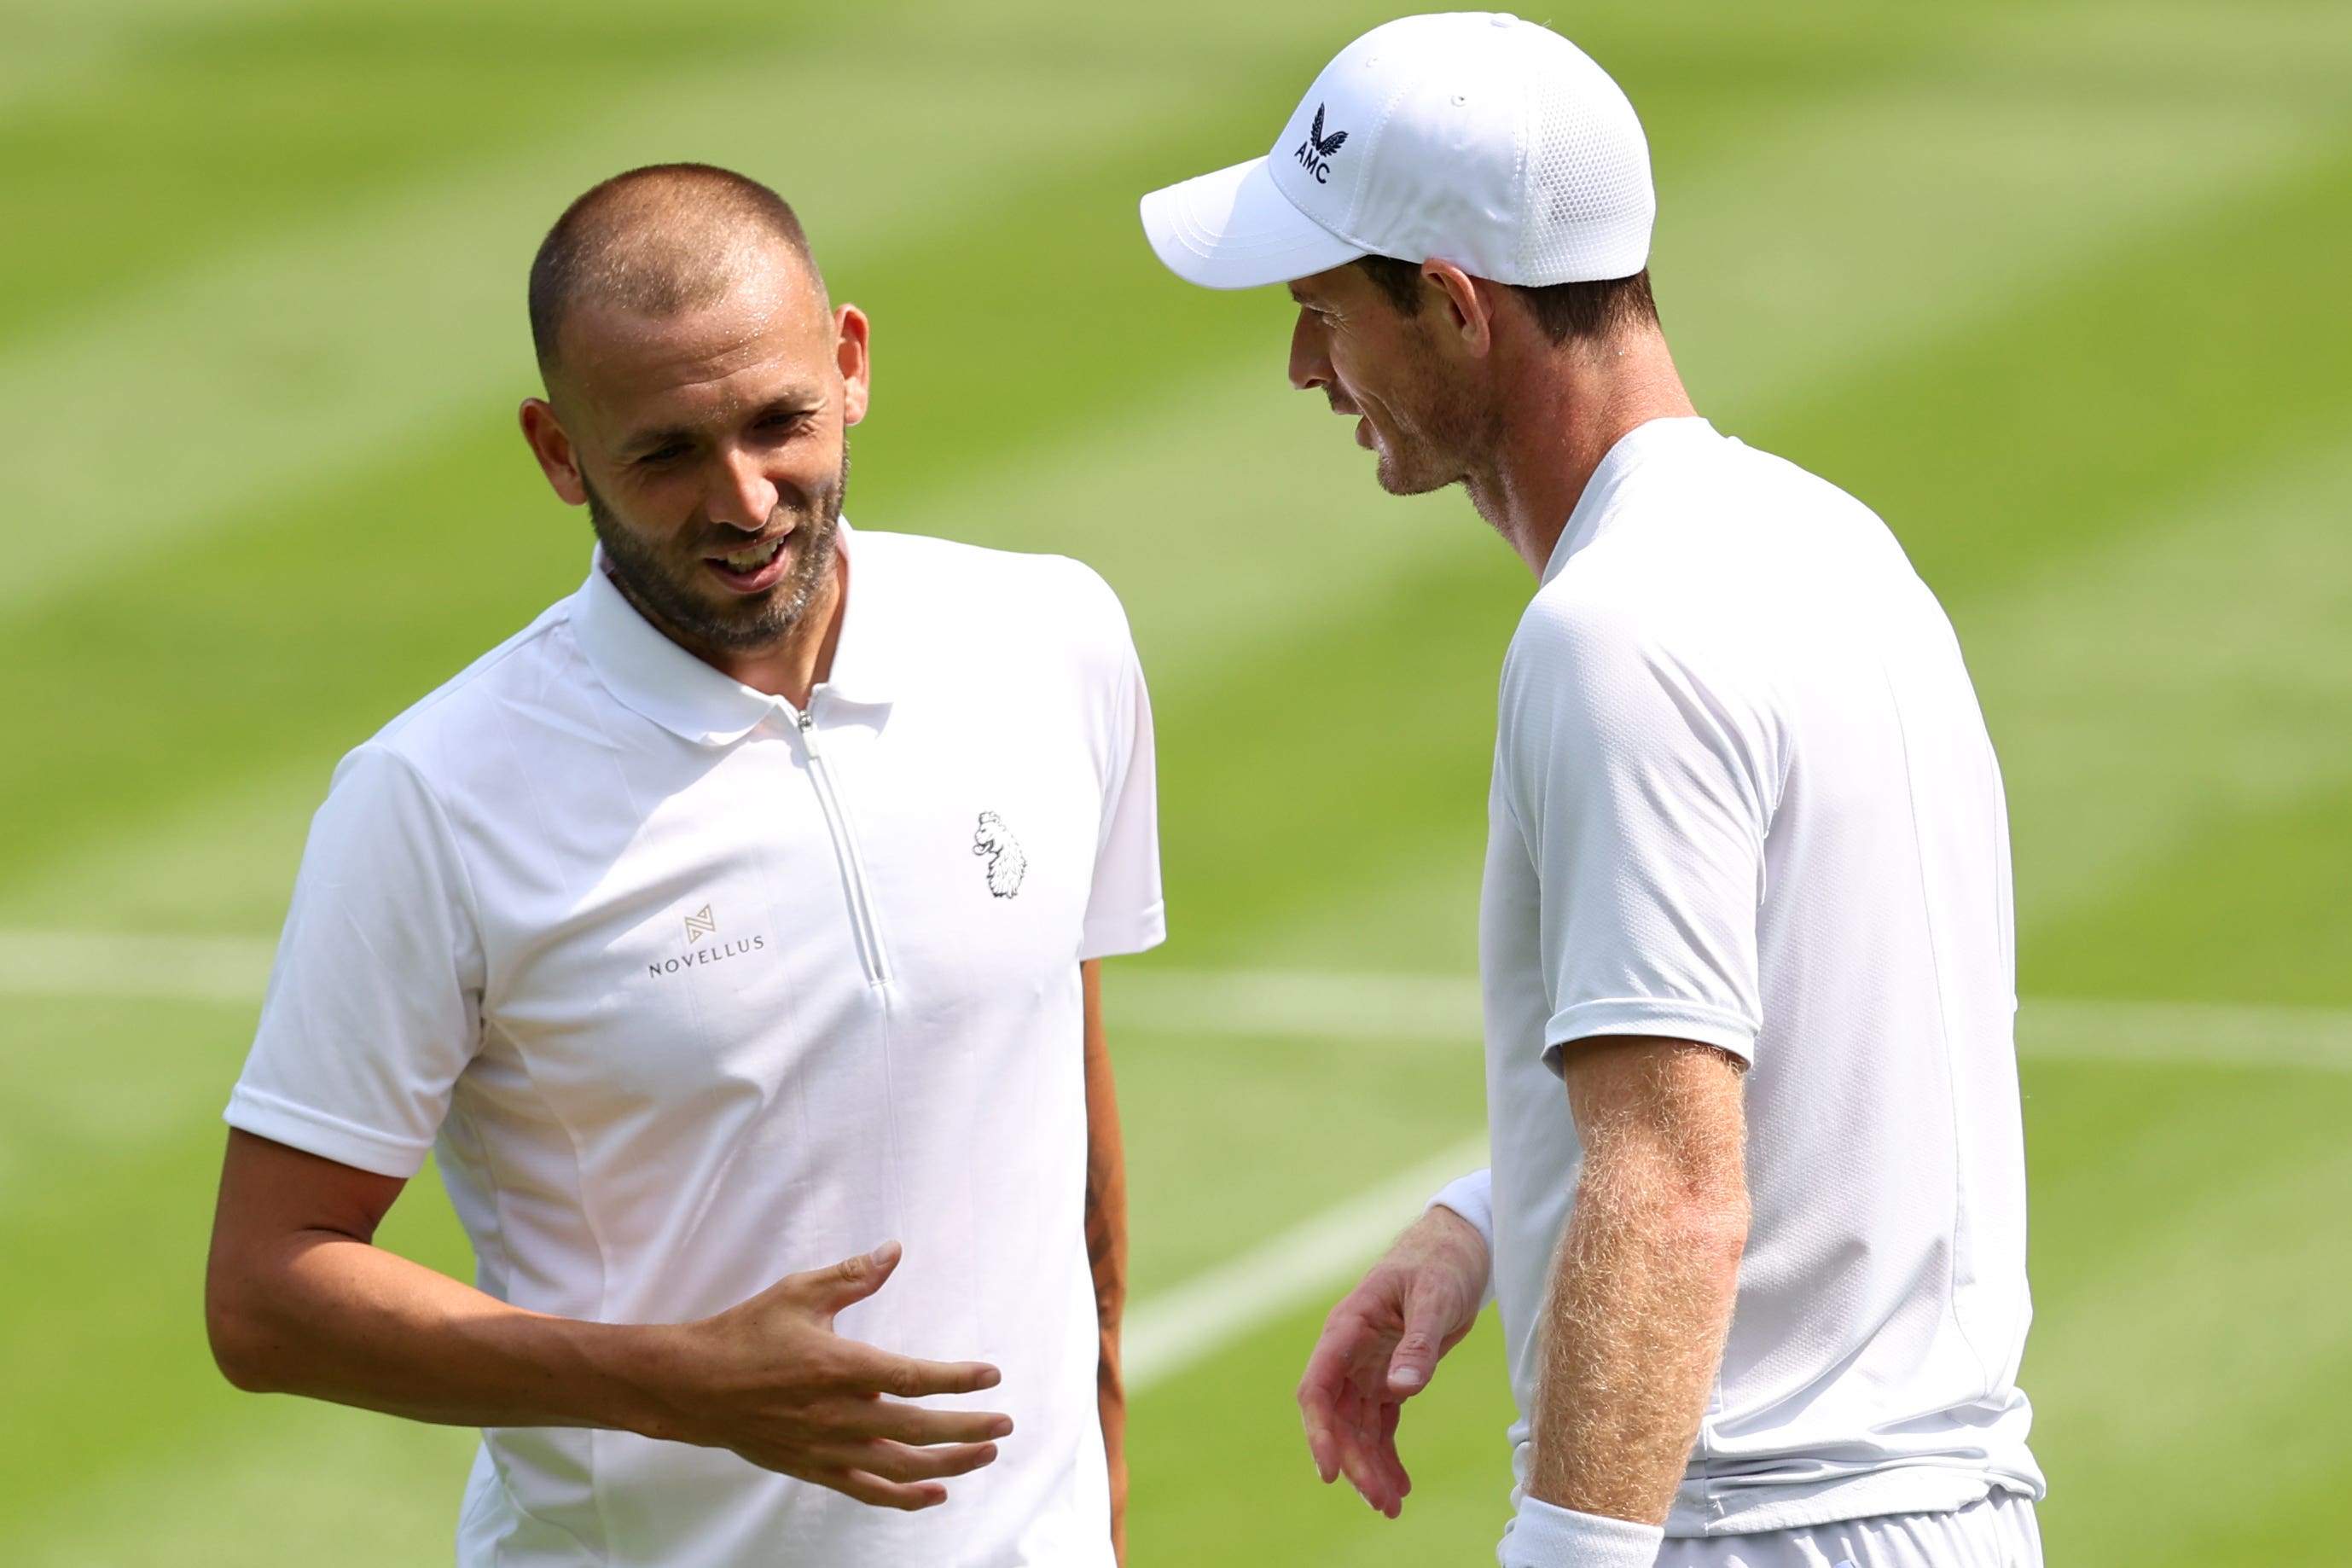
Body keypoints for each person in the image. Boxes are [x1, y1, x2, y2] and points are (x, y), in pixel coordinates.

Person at [1138, 15, 2044, 1568]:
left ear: (1452, 304)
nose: (1303, 365)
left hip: (1747, 1524)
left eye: (1322, 309)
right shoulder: (1833, 545)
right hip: (1935, 1516)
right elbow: (1810, 1044)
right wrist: (1489, 1218)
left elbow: (1673, 1188)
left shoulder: (1611, 634)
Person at [205, 162, 1162, 1568]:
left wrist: (1105, 1497)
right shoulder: (432, 796)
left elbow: (1059, 1092)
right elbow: (266, 1292)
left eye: (779, 421)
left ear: (849, 363)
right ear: (557, 451)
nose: (745, 499)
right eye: (664, 453)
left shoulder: (1050, 639)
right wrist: (675, 1382)